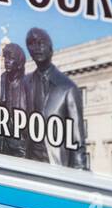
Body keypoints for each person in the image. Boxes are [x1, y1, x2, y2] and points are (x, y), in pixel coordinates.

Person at [21, 27, 88, 170]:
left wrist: (80, 177)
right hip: (28, 167)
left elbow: (77, 141)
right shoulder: (25, 83)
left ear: (51, 48)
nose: (37, 47)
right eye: (32, 43)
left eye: (42, 42)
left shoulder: (68, 88)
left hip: (56, 167)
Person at [0, 42, 28, 157]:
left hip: (22, 146)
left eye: (11, 58)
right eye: (5, 58)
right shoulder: (1, 85)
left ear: (19, 62)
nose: (7, 61)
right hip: (4, 143)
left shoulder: (28, 85)